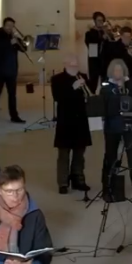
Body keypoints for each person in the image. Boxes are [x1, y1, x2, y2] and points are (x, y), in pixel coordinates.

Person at [99, 58, 132, 200]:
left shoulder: (130, 84)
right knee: (111, 154)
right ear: (111, 72)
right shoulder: (106, 87)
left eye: (120, 70)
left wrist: (129, 89)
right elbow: (103, 107)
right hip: (112, 125)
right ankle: (108, 182)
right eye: (115, 70)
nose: (118, 72)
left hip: (130, 123)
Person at [50, 55, 93, 194]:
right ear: (65, 64)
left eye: (76, 64)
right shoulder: (57, 79)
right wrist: (72, 87)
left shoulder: (83, 77)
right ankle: (62, 182)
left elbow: (90, 95)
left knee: (79, 153)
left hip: (80, 120)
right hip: (65, 120)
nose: (75, 67)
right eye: (72, 64)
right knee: (63, 153)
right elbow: (58, 97)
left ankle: (78, 179)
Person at [0, 17, 28, 123]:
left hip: (12, 70)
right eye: (8, 26)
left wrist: (19, 40)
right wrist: (10, 43)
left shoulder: (13, 38)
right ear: (3, 25)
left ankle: (14, 116)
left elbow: (24, 49)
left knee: (12, 95)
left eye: (12, 26)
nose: (10, 28)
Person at [84, 11, 109, 87]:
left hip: (104, 61)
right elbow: (92, 46)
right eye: (99, 20)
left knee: (105, 83)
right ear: (94, 21)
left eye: (102, 20)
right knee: (93, 83)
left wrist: (108, 36)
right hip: (94, 61)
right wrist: (102, 39)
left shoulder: (105, 32)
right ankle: (93, 97)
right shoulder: (89, 33)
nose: (101, 22)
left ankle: (105, 96)